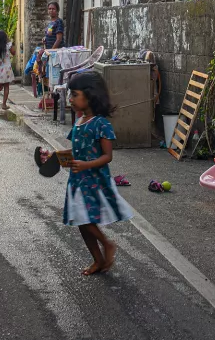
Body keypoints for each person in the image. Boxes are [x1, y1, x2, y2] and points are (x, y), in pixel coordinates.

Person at [62, 71, 133, 276]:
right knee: (81, 223)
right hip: (77, 182)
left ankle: (107, 244)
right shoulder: (78, 122)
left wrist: (86, 165)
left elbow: (107, 156)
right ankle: (98, 260)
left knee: (85, 220)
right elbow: (74, 152)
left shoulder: (101, 124)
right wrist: (53, 156)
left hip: (93, 181)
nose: (71, 99)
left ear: (90, 95)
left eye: (74, 94)